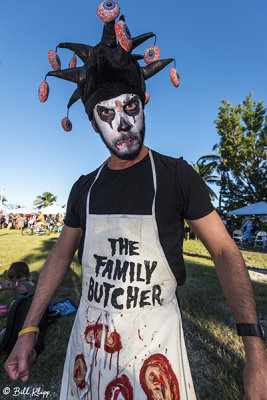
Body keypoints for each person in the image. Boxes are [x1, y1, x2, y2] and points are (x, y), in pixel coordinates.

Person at [5, 3, 267, 399]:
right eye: (106, 113)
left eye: (131, 107)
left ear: (144, 102)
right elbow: (59, 256)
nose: (122, 123)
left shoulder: (177, 176)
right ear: (92, 123)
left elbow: (226, 253)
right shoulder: (84, 187)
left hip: (155, 356)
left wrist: (255, 355)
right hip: (86, 358)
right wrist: (28, 329)